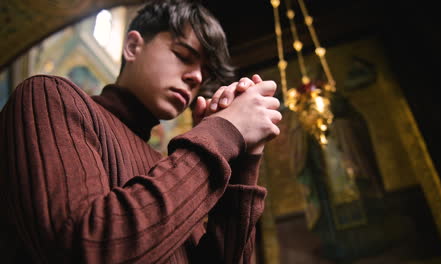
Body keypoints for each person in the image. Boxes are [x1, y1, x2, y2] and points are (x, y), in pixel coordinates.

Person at [0, 0, 281, 263]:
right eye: (183, 55)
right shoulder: (49, 97)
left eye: (204, 75)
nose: (196, 77)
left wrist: (243, 161)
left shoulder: (169, 169)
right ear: (133, 47)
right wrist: (221, 132)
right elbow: (83, 247)